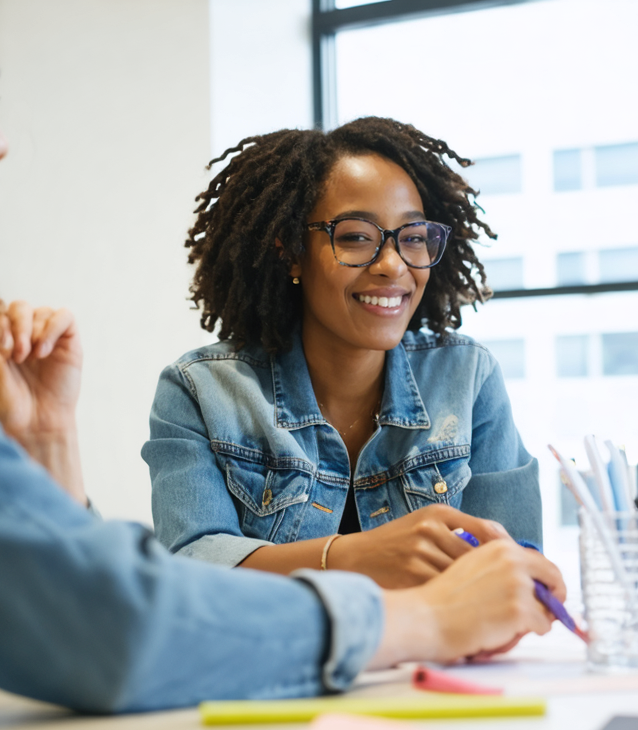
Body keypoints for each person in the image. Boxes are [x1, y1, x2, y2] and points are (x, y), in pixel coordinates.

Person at [0, 3, 566, 730]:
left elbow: (5, 617)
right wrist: (427, 616)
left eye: (413, 237)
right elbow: (101, 617)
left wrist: (47, 438)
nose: (2, 140)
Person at [143, 118, 541, 589]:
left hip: (434, 639)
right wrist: (360, 556)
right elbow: (189, 567)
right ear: (292, 253)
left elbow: (517, 570)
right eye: (355, 236)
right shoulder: (200, 392)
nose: (393, 265)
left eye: (413, 237)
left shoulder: (467, 377)